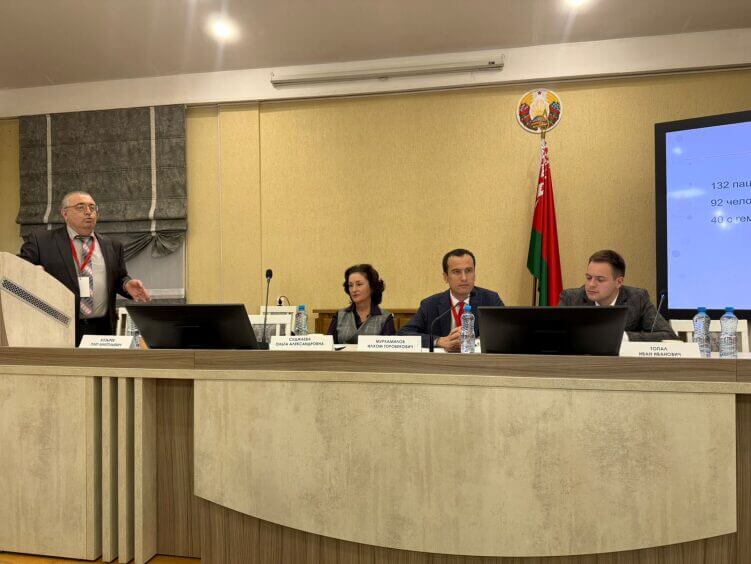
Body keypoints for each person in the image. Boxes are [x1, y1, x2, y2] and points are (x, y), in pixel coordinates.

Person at [19, 191, 151, 344]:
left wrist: (126, 284)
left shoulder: (112, 245)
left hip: (101, 329)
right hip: (57, 327)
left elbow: (119, 277)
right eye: (80, 207)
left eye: (92, 208)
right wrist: (31, 274)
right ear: (65, 213)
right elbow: (18, 271)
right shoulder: (41, 241)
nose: (88, 212)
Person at [559, 249, 678, 342]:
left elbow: (668, 335)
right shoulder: (571, 299)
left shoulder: (638, 298)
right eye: (589, 278)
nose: (591, 285)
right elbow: (555, 335)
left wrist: (623, 337)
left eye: (600, 280)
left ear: (619, 282)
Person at [399, 248, 503, 351]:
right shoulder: (430, 305)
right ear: (446, 277)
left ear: (474, 274)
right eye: (456, 272)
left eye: (468, 271)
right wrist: (439, 341)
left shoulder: (490, 300)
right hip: (443, 361)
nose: (464, 278)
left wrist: (476, 342)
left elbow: (505, 333)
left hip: (478, 360)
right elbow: (403, 334)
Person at [327, 264, 395, 344]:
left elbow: (389, 349)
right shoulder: (340, 316)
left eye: (359, 284)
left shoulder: (385, 318)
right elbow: (328, 346)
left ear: (372, 287)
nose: (354, 290)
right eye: (350, 285)